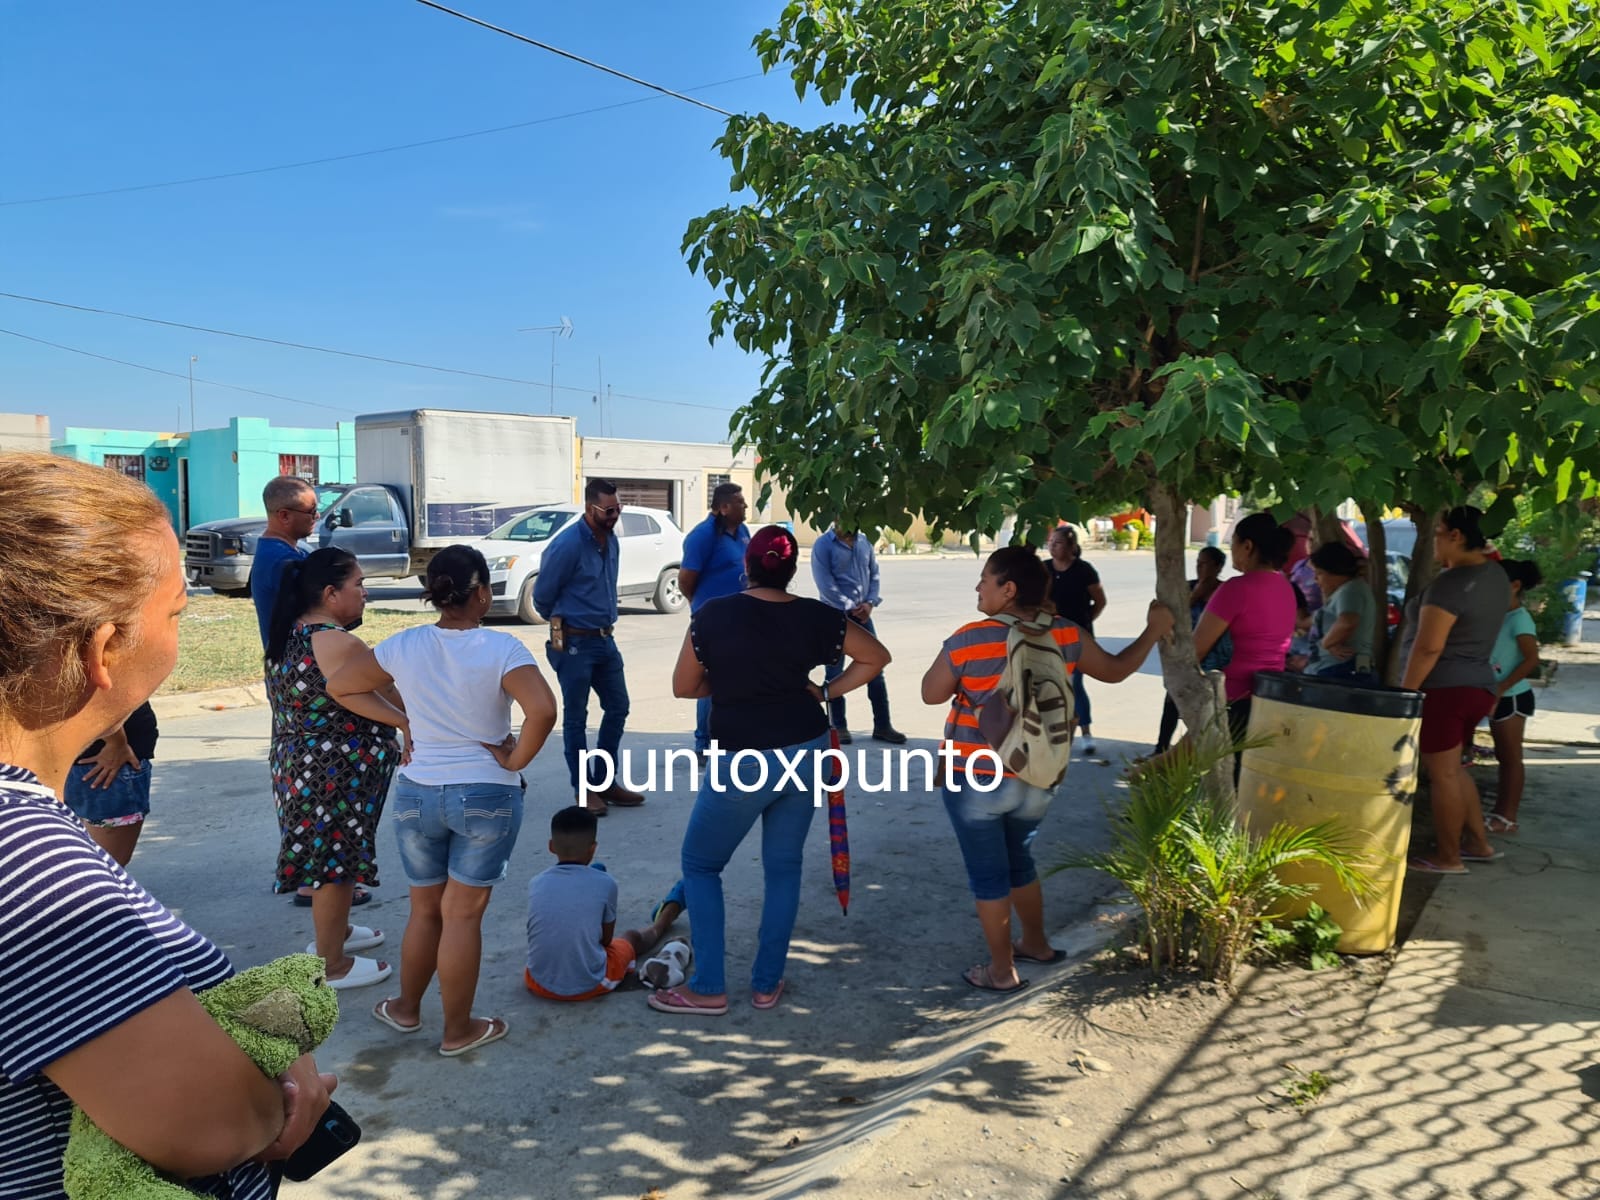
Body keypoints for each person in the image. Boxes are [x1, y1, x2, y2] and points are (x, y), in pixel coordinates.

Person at [0, 452, 334, 1200]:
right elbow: (216, 1129)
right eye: (176, 611)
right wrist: (284, 1101)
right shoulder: (31, 872)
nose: (179, 631)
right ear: (101, 651)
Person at [329, 545, 557, 1056]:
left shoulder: (403, 645)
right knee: (462, 917)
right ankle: (458, 1031)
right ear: (481, 594)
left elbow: (342, 686)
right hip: (485, 795)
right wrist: (516, 759)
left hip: (416, 793)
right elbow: (542, 709)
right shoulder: (502, 648)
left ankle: (406, 1009)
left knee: (424, 912)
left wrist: (403, 721)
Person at [652, 526, 891, 1015]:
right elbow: (876, 657)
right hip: (803, 749)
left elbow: (684, 686)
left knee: (701, 865)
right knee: (784, 869)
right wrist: (826, 692)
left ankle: (710, 987)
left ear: (747, 568)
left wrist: (730, 682)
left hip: (743, 758)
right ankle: (765, 985)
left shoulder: (714, 614)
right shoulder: (818, 616)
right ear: (791, 571)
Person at [921, 547, 1175, 993]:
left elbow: (930, 693)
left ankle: (1001, 971)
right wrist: (1154, 630)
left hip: (977, 774)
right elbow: (1115, 672)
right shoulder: (1066, 634)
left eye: (985, 579)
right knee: (1020, 859)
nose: (978, 587)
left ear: (1008, 589)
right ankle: (1036, 943)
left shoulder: (969, 638)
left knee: (988, 875)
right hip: (1039, 773)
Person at [264, 548, 402, 990]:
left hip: (297, 764)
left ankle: (336, 934)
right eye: (358, 584)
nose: (365, 593)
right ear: (330, 592)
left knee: (328, 854)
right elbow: (390, 695)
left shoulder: (286, 634)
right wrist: (410, 722)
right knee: (335, 863)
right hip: (335, 769)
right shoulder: (338, 642)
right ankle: (332, 963)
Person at [1399, 506, 1511, 875]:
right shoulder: (1496, 574)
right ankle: (1478, 844)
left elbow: (1428, 647)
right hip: (1477, 685)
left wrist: (1405, 696)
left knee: (1443, 774)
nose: (1433, 540)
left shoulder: (1451, 584)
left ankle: (1448, 858)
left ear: (1456, 536)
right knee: (1456, 769)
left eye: (1438, 532)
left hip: (1445, 689)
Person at [532, 478, 646, 814]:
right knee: (576, 719)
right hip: (575, 645)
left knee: (618, 707)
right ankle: (582, 790)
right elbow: (542, 597)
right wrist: (565, 627)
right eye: (608, 511)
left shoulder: (611, 539)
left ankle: (604, 781)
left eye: (618, 509)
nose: (614, 516)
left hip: (605, 639)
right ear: (589, 508)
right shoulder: (567, 545)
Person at [524, 805, 686, 1001]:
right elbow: (606, 941)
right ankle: (665, 918)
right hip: (591, 983)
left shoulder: (536, 883)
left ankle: (591, 874)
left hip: (537, 981)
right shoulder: (607, 884)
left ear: (551, 846)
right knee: (631, 937)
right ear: (593, 848)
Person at [1193, 513, 1298, 760]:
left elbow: (1196, 649)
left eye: (1234, 545)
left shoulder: (1235, 588)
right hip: (1269, 700)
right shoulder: (1285, 587)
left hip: (1231, 700)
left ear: (1248, 546)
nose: (1232, 552)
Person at [811, 519, 906, 745]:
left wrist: (870, 603)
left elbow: (874, 574)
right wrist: (849, 607)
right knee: (835, 673)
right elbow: (825, 584)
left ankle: (883, 725)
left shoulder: (865, 542)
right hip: (834, 616)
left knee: (875, 670)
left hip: (863, 615)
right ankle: (839, 727)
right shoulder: (823, 545)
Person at [678, 482, 751, 754]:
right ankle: (704, 744)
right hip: (713, 622)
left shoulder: (742, 531)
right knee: (710, 681)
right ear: (723, 507)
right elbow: (686, 580)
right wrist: (701, 608)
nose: (745, 506)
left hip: (742, 619)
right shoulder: (703, 536)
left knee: (737, 678)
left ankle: (731, 738)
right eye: (740, 502)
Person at [62, 699, 158, 866]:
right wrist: (116, 742)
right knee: (103, 868)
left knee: (70, 860)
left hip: (71, 759)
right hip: (105, 764)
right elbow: (90, 691)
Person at [1485, 559, 1543, 836]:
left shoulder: (1520, 619)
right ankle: (1499, 813)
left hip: (1512, 697)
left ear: (1515, 586)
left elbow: (1532, 659)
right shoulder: (1499, 614)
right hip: (1498, 694)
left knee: (1510, 759)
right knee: (1502, 756)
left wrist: (1502, 686)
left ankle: (1507, 817)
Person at [1155, 547, 1231, 754]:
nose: (1200, 568)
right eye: (1198, 563)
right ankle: (1161, 747)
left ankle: (1198, 749)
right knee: (1172, 699)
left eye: (1204, 564)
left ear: (1217, 567)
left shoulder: (1224, 591)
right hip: (1187, 651)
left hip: (1215, 654)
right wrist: (1196, 595)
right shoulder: (1187, 588)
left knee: (1205, 704)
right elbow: (1176, 616)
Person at [1046, 524, 1107, 755]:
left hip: (1077, 641)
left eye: (1058, 542)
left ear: (1071, 546)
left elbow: (1100, 601)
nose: (1052, 546)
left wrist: (1084, 624)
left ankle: (1086, 733)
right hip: (1049, 638)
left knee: (1074, 685)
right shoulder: (1044, 570)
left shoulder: (1084, 571)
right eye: (1051, 542)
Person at [250, 475, 320, 649]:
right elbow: (326, 608)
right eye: (311, 511)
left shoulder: (297, 549)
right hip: (296, 670)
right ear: (284, 516)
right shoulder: (281, 560)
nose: (317, 516)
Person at [1304, 543, 1377, 680]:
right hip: (1337, 669)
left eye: (1319, 573)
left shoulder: (1350, 590)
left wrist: (1327, 643)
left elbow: (1348, 621)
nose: (1315, 579)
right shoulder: (1348, 590)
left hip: (1341, 670)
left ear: (1335, 571)